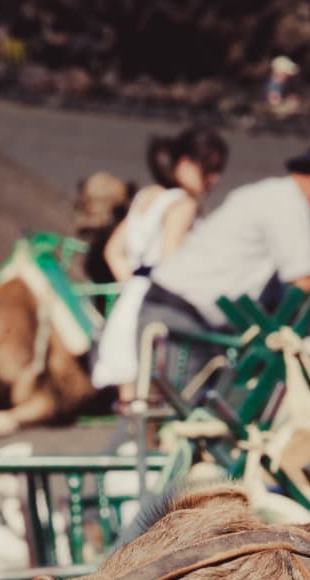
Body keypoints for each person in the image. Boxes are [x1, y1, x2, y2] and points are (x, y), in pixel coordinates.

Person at [139, 141, 310, 386]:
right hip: (184, 315)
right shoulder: (289, 204)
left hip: (167, 303)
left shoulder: (262, 193)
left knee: (158, 406)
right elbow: (306, 280)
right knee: (176, 411)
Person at [90, 124, 228, 401]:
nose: (213, 180)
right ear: (185, 163)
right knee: (158, 394)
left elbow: (113, 250)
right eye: (208, 170)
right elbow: (171, 261)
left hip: (131, 300)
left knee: (129, 395)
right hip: (162, 302)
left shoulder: (147, 196)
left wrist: (134, 285)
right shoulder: (182, 204)